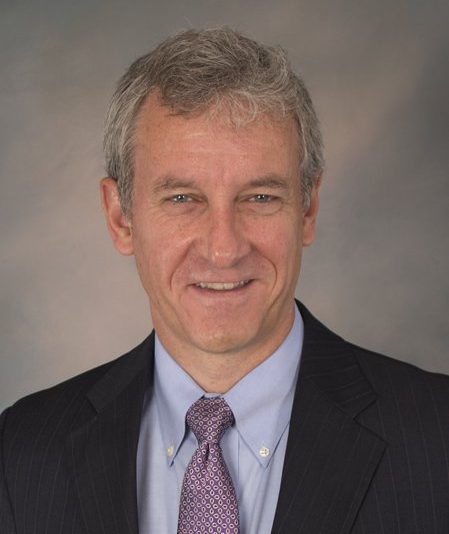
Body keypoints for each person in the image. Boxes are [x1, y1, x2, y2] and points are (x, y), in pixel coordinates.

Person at [1, 27, 449, 534]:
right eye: (181, 199)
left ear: (307, 209)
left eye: (260, 197)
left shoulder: (437, 438)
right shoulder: (22, 452)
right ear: (120, 217)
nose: (223, 248)